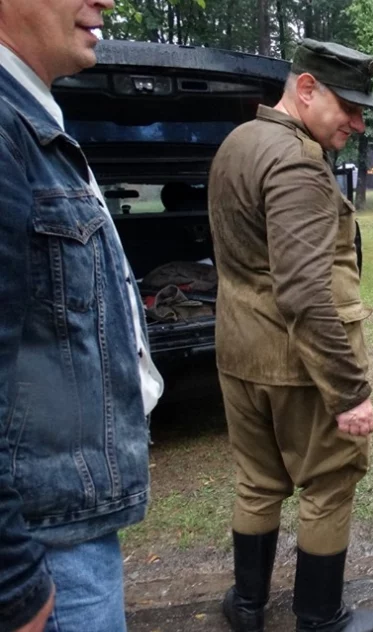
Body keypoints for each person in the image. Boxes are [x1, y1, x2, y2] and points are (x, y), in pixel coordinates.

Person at [207, 40, 373, 632]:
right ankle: (320, 617)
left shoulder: (239, 141)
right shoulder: (296, 162)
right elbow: (304, 293)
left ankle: (248, 605)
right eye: (350, 106)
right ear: (307, 88)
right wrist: (349, 391)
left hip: (239, 351)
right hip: (298, 364)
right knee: (329, 484)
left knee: (259, 482)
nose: (358, 123)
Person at [0, 0, 164, 629]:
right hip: (45, 549)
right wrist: (14, 583)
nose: (106, 1)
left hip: (64, 525)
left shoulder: (33, 121)